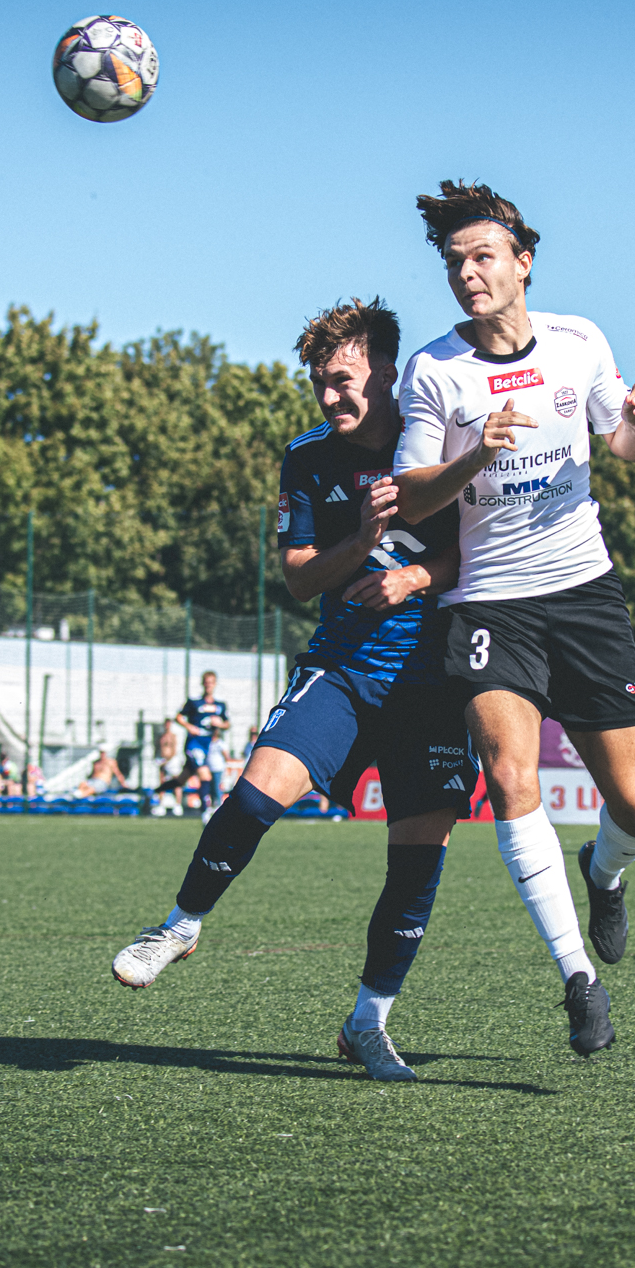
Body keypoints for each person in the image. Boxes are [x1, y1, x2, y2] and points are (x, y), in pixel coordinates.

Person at [112, 296, 473, 1081]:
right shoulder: (308, 458)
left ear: (387, 370)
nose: (329, 396)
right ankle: (180, 925)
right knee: (252, 797)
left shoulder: (443, 441)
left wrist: (412, 576)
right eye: (319, 383)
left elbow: (481, 554)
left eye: (343, 379)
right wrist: (364, 541)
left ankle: (368, 1023)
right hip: (342, 667)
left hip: (434, 684)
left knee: (416, 865)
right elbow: (300, 579)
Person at [390, 181, 635, 1055]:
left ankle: (604, 873)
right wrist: (474, 452)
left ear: (523, 264)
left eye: (483, 258)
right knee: (512, 777)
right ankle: (579, 980)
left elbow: (623, 448)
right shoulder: (435, 370)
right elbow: (407, 500)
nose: (467, 274)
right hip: (487, 602)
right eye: (454, 263)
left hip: (584, 593)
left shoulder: (580, 341)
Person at [156, 672, 231, 818]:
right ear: (202, 683)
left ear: (215, 684)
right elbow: (178, 717)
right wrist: (189, 727)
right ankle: (205, 813)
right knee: (205, 775)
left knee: (180, 780)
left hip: (208, 747)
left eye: (211, 682)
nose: (208, 685)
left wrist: (220, 724)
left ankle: (155, 792)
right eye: (206, 682)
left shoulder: (220, 705)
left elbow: (227, 724)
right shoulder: (194, 702)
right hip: (194, 744)